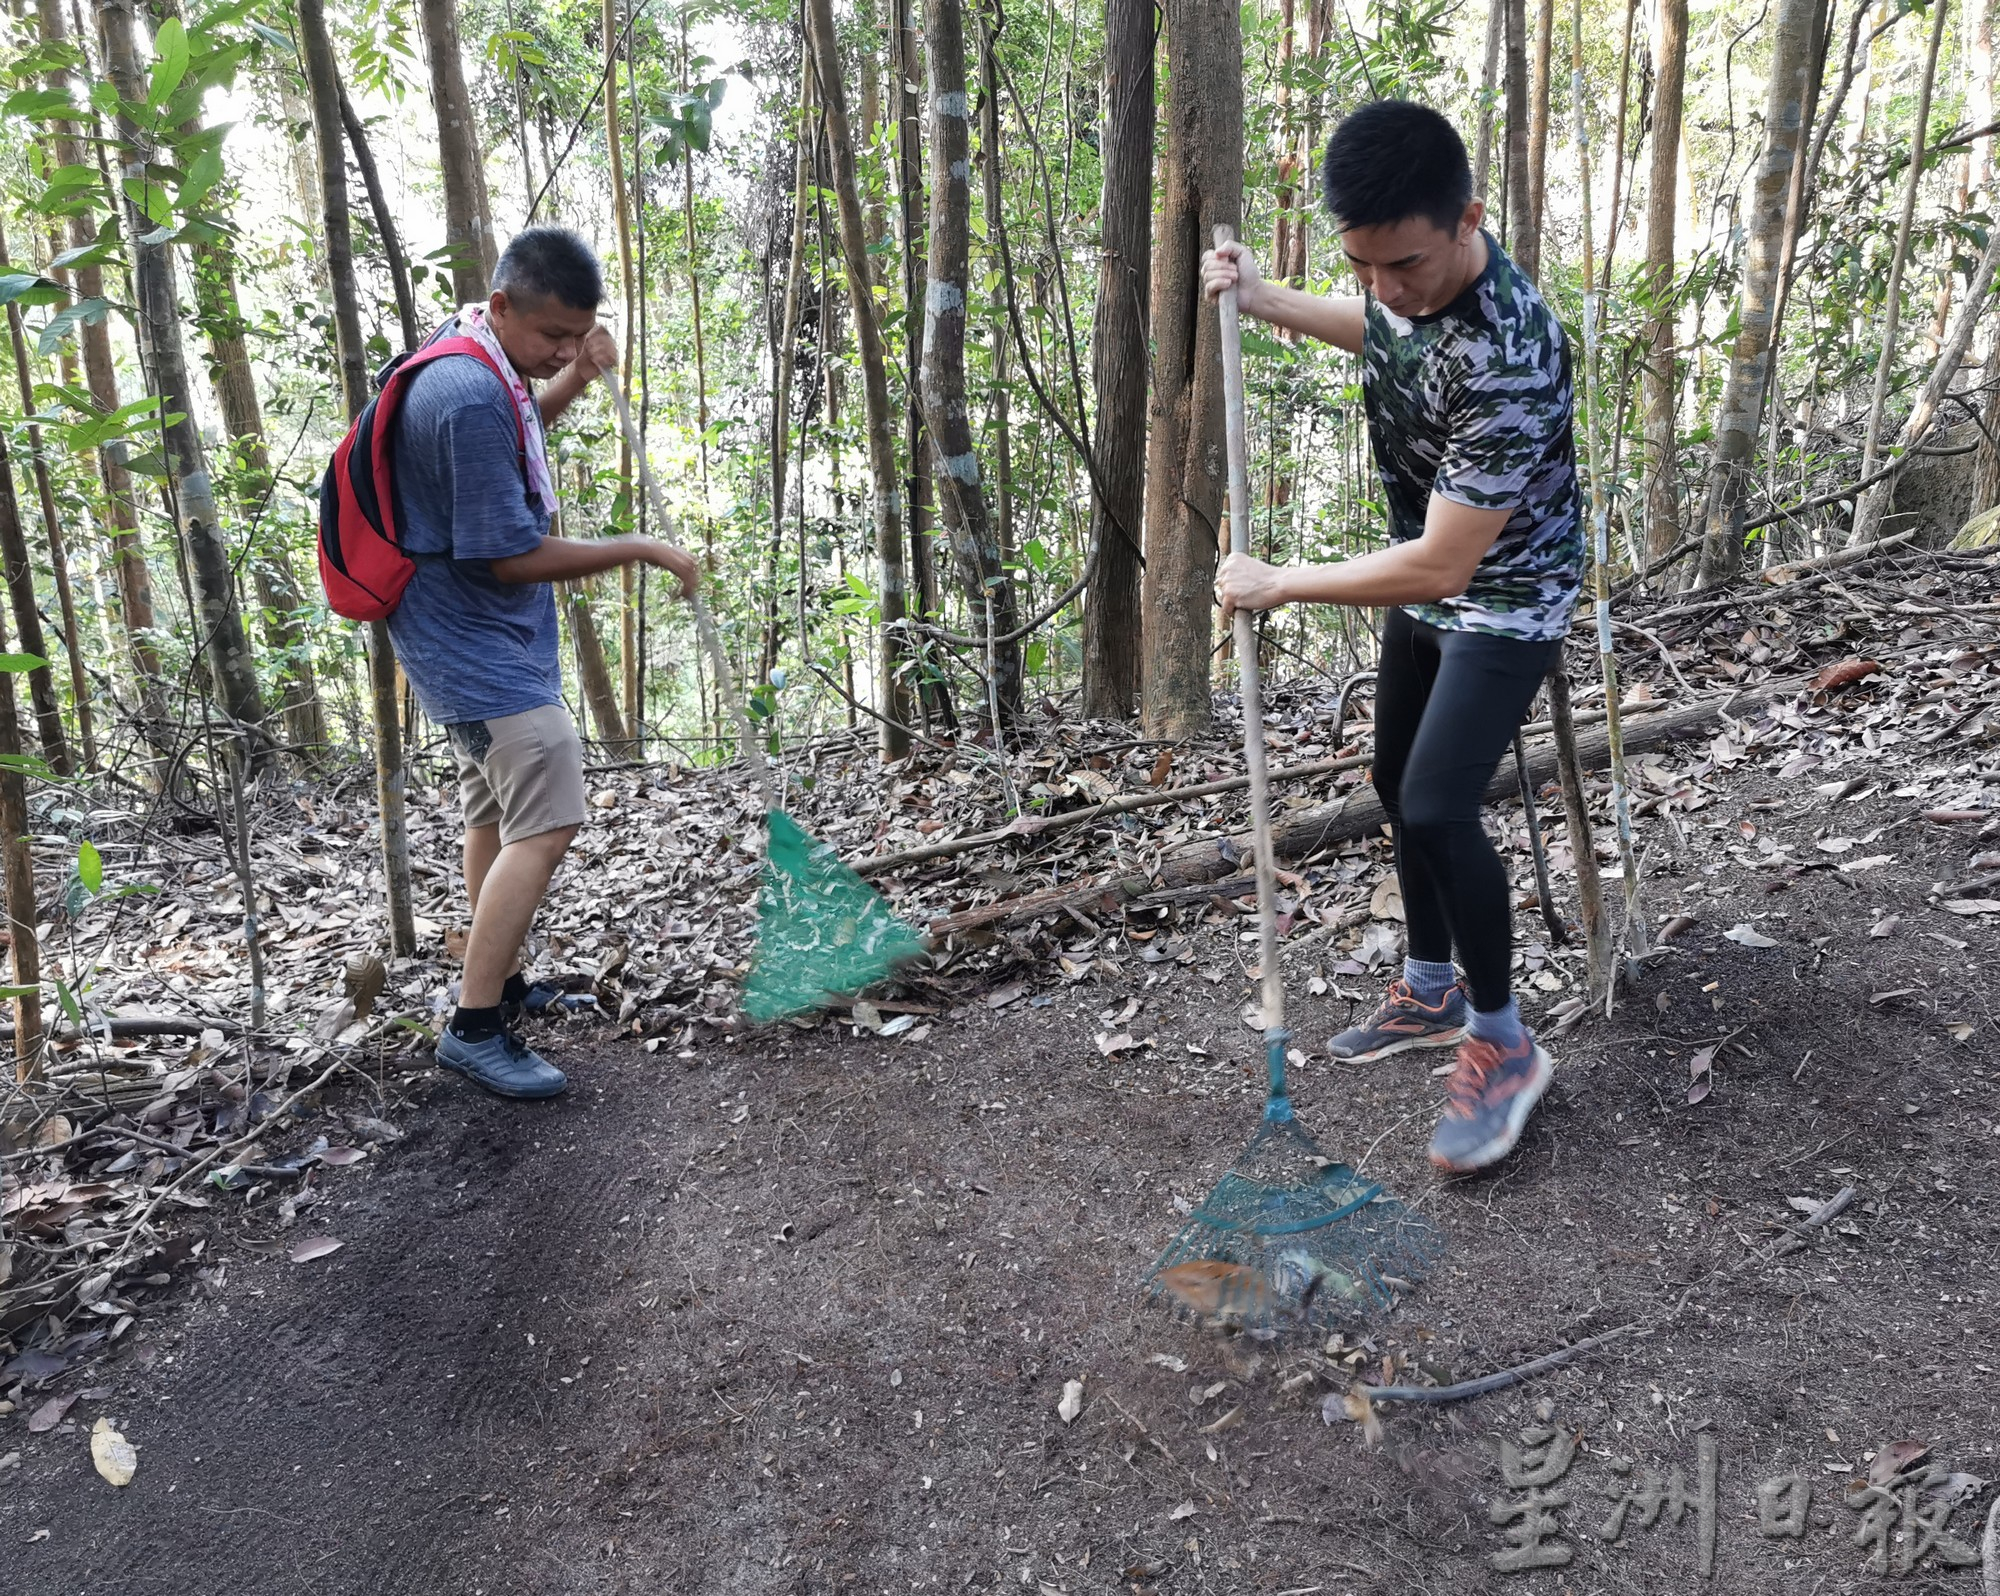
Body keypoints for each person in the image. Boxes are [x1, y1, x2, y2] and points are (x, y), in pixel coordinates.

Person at [1204, 100, 1582, 1174]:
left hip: (1502, 592)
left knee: (1434, 801)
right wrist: (1264, 297)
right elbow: (1384, 331)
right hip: (1429, 577)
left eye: (1402, 263)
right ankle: (1428, 986)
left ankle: (1502, 1044)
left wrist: (1278, 583)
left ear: (1466, 219)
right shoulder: (1408, 285)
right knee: (1388, 776)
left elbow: (1442, 565)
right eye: (1361, 264)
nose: (1384, 287)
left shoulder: (1511, 354)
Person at [386, 226, 699, 1101]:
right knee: (551, 813)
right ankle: (474, 1026)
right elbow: (504, 554)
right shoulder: (466, 393)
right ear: (501, 307)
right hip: (472, 642)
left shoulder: (481, 362)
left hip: (475, 640)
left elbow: (513, 441)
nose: (563, 349)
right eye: (553, 337)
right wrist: (638, 547)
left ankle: (504, 983)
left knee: (493, 811)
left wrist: (578, 377)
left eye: (577, 334)